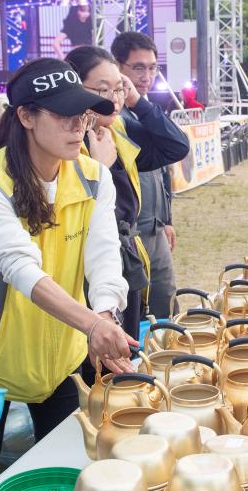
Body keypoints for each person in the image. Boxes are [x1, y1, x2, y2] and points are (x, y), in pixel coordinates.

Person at [0, 58, 136, 482]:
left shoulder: (93, 177)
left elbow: (105, 255)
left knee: (63, 473)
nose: (79, 126)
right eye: (64, 115)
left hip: (61, 363)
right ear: (26, 116)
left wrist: (105, 314)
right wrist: (92, 325)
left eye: (83, 115)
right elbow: (20, 268)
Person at [67, 45, 190, 339]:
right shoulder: (68, 144)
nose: (114, 99)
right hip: (87, 269)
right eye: (103, 89)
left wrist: (136, 99)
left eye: (119, 89)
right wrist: (101, 168)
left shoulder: (117, 130)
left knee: (135, 337)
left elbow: (177, 147)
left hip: (126, 258)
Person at [112, 30, 191, 318]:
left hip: (155, 229)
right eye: (138, 68)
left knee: (166, 303)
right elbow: (176, 146)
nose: (147, 76)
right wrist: (135, 102)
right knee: (133, 312)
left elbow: (166, 166)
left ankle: (169, 358)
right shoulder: (116, 117)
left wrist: (167, 219)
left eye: (153, 68)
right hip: (130, 233)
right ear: (118, 68)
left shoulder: (145, 111)